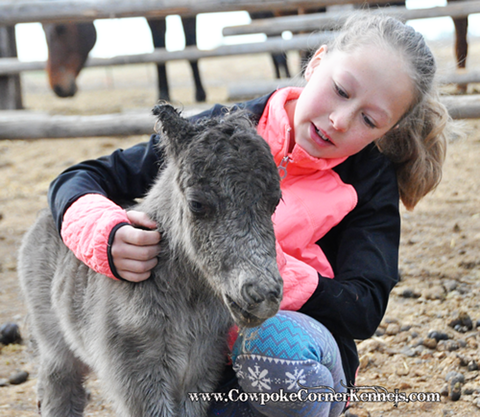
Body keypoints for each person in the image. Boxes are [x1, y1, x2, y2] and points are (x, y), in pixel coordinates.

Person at [48, 13, 452, 417]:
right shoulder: (221, 134)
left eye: (369, 119)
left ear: (389, 129)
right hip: (196, 353)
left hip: (285, 357)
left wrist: (263, 273)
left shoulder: (369, 182)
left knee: (274, 346)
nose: (339, 121)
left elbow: (363, 306)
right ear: (316, 63)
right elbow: (83, 178)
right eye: (341, 90)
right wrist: (107, 234)